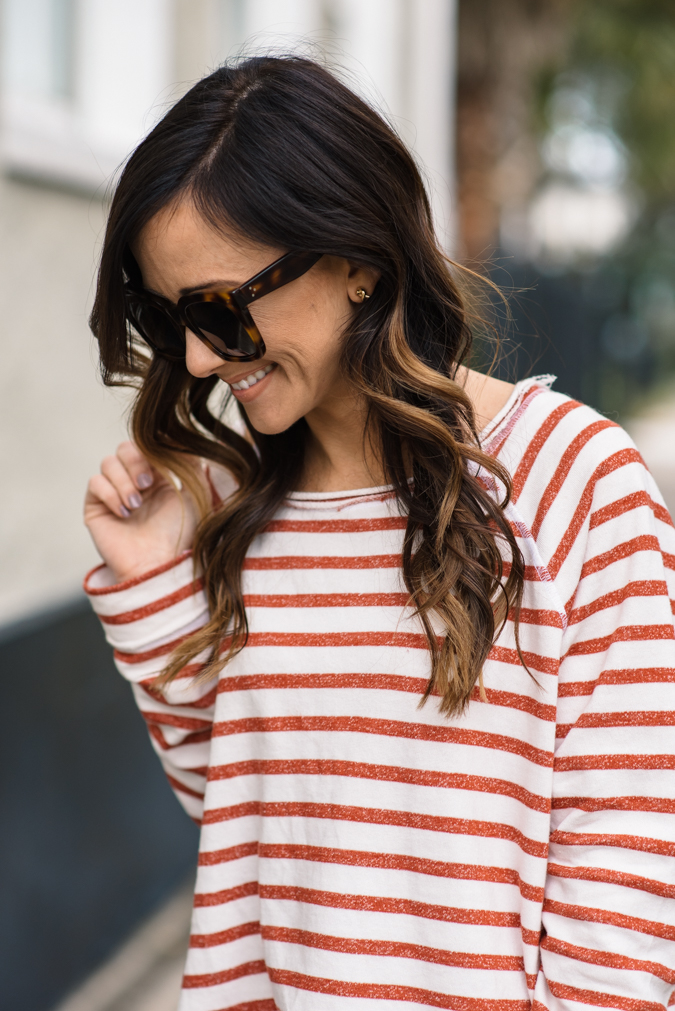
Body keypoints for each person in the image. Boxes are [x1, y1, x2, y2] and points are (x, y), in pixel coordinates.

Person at [83, 56, 675, 1011]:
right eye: (169, 316)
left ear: (354, 260)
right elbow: (241, 816)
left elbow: (625, 880)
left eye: (220, 309)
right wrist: (158, 583)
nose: (195, 357)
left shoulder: (573, 478)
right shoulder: (244, 510)